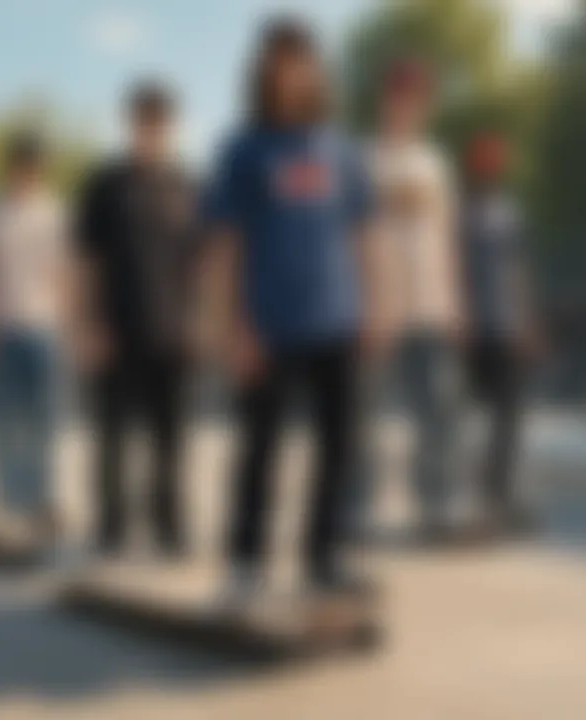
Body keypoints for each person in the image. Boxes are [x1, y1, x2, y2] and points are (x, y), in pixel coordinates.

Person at [205, 18, 378, 598]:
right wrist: (232, 327)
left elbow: (364, 238)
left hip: (338, 319)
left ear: (316, 69)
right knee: (260, 450)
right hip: (268, 325)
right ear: (264, 70)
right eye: (279, 59)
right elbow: (225, 247)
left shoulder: (343, 151)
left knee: (339, 449)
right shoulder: (243, 150)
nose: (291, 69)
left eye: (301, 58)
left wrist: (376, 308)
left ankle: (323, 559)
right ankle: (245, 564)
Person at [75, 82, 197, 556]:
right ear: (130, 124)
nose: (153, 130)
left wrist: (200, 323)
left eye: (161, 121)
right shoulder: (105, 186)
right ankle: (112, 530)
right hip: (116, 331)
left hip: (172, 333)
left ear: (171, 126)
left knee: (171, 442)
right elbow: (85, 262)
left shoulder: (187, 186)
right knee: (113, 440)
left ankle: (170, 528)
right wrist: (88, 326)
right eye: (144, 120)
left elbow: (202, 263)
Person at [368, 60, 467, 542]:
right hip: (378, 310)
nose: (409, 106)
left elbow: (445, 235)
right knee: (365, 414)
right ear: (387, 100)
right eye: (402, 96)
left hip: (429, 306)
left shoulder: (434, 164)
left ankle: (437, 505)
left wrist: (455, 302)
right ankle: (356, 510)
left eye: (418, 99)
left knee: (439, 411)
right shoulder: (365, 160)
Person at [0, 132, 67, 550]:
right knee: (4, 421)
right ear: (10, 167)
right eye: (23, 165)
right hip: (2, 328)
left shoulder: (54, 213)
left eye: (36, 167)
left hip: (44, 329)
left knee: (44, 420)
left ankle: (38, 503)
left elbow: (65, 272)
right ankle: (5, 505)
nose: (29, 174)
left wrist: (71, 326)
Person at [460, 132, 540, 535]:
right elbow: (454, 271)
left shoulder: (509, 212)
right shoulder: (460, 213)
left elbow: (518, 270)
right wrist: (462, 319)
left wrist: (526, 321)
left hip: (507, 327)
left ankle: (501, 495)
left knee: (509, 416)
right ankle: (473, 498)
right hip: (474, 328)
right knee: (474, 415)